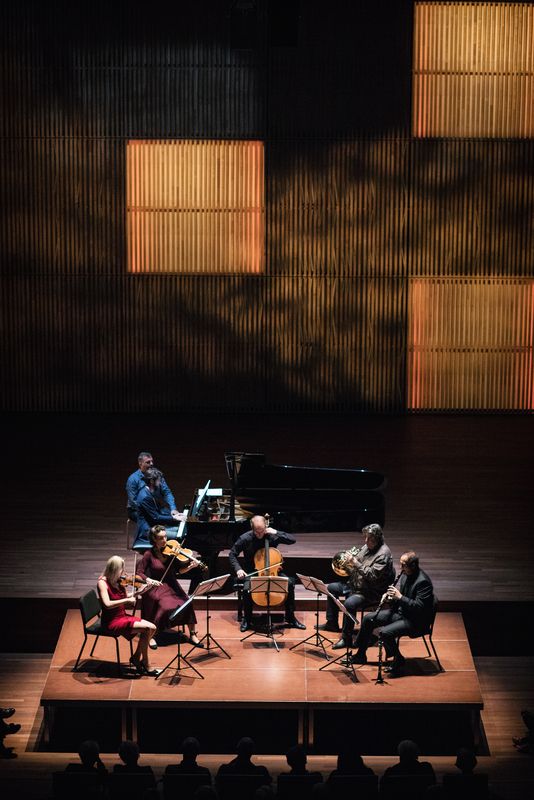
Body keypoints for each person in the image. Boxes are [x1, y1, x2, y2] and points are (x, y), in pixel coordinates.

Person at [351, 551, 435, 676]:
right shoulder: (406, 575)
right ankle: (361, 655)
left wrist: (399, 597)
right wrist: (390, 598)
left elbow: (419, 608)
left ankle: (398, 659)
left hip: (415, 621)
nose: (401, 568)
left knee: (385, 633)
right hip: (402, 613)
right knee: (368, 619)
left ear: (413, 565)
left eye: (403, 565)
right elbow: (401, 598)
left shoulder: (423, 582)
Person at [319, 524, 395, 651]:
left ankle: (346, 638)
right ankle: (331, 623)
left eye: (368, 539)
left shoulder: (383, 555)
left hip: (370, 591)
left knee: (349, 603)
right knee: (331, 588)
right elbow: (357, 562)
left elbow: (372, 576)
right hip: (356, 584)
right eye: (365, 537)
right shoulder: (367, 546)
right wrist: (349, 560)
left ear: (376, 539)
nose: (365, 541)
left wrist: (355, 562)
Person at [229, 516, 305, 632]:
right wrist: (238, 569)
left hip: (273, 571)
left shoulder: (272, 535)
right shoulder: (245, 538)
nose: (260, 534)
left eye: (262, 531)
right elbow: (232, 554)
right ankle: (247, 620)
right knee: (246, 589)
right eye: (257, 532)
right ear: (252, 528)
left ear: (266, 526)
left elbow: (292, 540)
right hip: (253, 572)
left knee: (289, 584)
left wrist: (277, 532)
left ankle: (290, 618)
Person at [137, 525, 202, 649]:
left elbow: (179, 571)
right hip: (155, 586)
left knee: (187, 602)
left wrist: (190, 567)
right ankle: (152, 635)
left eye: (165, 537)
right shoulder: (148, 554)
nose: (165, 540)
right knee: (164, 606)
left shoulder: (171, 552)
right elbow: (139, 572)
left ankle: (193, 634)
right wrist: (149, 579)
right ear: (154, 539)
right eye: (161, 538)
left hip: (171, 584)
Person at [97, 555, 160, 676]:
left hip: (122, 616)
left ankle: (136, 657)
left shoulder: (118, 581)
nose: (124, 572)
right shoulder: (102, 583)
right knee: (148, 629)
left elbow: (127, 598)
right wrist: (126, 601)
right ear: (114, 569)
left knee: (152, 628)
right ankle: (145, 662)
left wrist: (142, 590)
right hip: (111, 622)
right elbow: (107, 604)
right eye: (121, 569)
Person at [134, 467, 186, 549]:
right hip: (149, 530)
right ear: (152, 481)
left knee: (180, 529)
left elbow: (166, 494)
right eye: (159, 480)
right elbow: (156, 517)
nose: (161, 482)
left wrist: (174, 515)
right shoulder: (145, 497)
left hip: (155, 525)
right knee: (180, 535)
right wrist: (174, 518)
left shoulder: (149, 491)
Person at [126, 452, 178, 522]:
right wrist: (152, 512)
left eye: (152, 461)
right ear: (140, 463)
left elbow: (166, 492)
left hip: (155, 506)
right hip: (137, 510)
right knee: (158, 521)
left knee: (175, 519)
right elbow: (133, 501)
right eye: (148, 462)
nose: (151, 464)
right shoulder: (133, 479)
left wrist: (173, 508)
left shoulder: (156, 475)